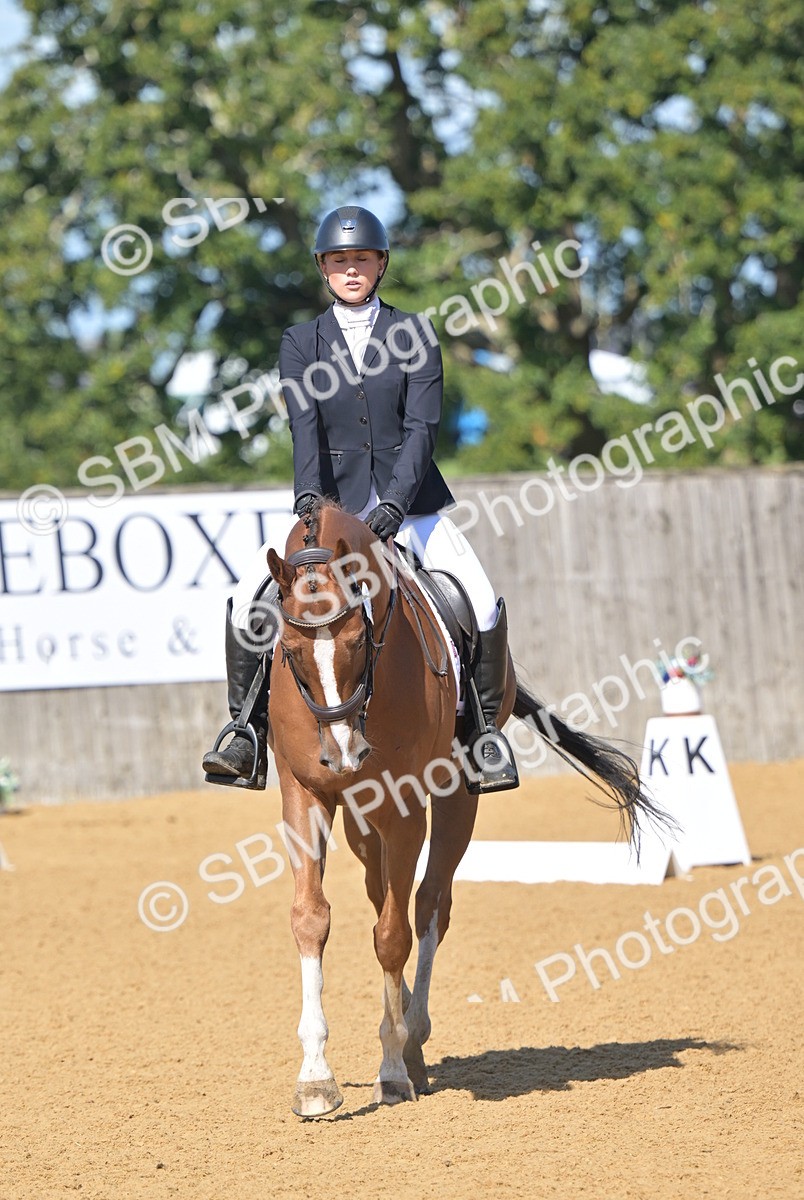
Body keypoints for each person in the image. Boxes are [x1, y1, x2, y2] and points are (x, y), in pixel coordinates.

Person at [202, 205, 519, 793]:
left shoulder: (415, 333)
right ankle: (245, 731)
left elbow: (422, 428)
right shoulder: (300, 342)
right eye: (340, 260)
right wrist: (310, 503)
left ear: (381, 265)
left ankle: (482, 735)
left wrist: (394, 504)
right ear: (324, 268)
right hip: (330, 508)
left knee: (476, 598)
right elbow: (304, 428)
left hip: (411, 505)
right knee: (248, 599)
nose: (351, 270)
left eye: (362, 259)